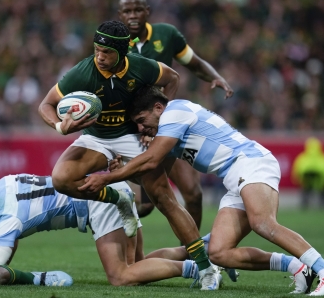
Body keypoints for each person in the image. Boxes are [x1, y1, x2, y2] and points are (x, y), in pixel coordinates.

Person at [79, 86, 324, 296]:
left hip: (250, 162)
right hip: (235, 177)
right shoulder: (169, 132)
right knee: (219, 253)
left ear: (158, 107)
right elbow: (154, 176)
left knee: (263, 223)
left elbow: (150, 160)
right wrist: (122, 166)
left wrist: (108, 178)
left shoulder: (175, 112)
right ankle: (298, 267)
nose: (141, 128)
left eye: (141, 119)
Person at [38, 20, 220, 290]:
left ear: (123, 52)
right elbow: (46, 104)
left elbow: (173, 78)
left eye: (107, 52)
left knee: (164, 199)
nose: (100, 56)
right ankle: (119, 197)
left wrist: (160, 125)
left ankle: (205, 268)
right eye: (97, 49)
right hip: (95, 137)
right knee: (61, 179)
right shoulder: (82, 73)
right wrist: (59, 126)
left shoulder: (140, 66)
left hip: (131, 137)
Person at [0, 175, 229, 287]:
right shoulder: (2, 184)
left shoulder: (7, 218)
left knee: (121, 277)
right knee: (140, 265)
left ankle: (201, 270)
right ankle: (207, 249)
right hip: (112, 192)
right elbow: (9, 244)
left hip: (98, 204)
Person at [118, 0, 234, 226]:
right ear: (120, 14)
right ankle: (107, 218)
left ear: (147, 12)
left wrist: (215, 77)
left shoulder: (167, 34)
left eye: (137, 10)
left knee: (193, 193)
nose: (133, 15)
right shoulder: (116, 44)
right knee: (145, 204)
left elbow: (195, 63)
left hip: (166, 129)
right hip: (134, 130)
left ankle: (192, 253)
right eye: (127, 11)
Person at [291, 137, 324, 209]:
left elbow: (296, 173)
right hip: (321, 185)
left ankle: (304, 205)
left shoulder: (302, 158)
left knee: (305, 190)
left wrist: (299, 182)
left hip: (307, 185)